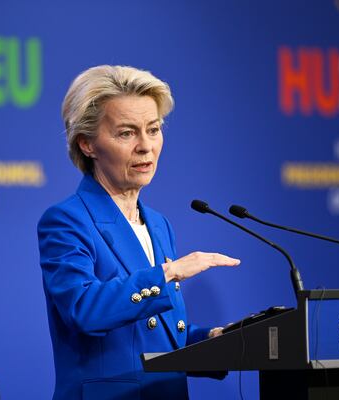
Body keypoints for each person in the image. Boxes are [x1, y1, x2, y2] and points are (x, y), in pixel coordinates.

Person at [38, 65, 240, 400]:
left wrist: (214, 340)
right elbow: (84, 309)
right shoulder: (66, 221)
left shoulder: (158, 224)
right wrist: (168, 272)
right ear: (87, 144)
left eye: (154, 129)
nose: (146, 146)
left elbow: (151, 337)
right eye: (127, 133)